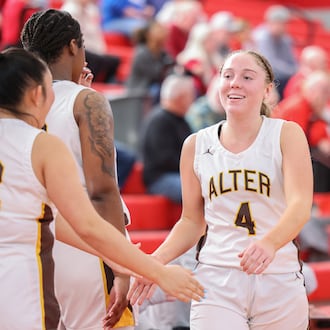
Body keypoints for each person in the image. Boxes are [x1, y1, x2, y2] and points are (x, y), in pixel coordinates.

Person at [0, 47, 204, 330]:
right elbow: (86, 225)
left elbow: (57, 223)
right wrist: (156, 271)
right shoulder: (40, 145)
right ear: (37, 95)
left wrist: (124, 265)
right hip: (19, 287)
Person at [129, 50, 313, 329]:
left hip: (278, 275)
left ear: (266, 91)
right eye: (227, 75)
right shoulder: (195, 144)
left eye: (246, 76)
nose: (234, 82)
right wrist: (153, 264)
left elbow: (300, 205)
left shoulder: (286, 134)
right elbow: (191, 221)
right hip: (216, 278)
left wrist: (270, 242)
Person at [22, 8, 133, 330]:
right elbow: (102, 191)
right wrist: (123, 266)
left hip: (34, 247)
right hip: (87, 246)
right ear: (73, 47)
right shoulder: (86, 101)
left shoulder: (16, 105)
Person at [140, 73, 195, 203]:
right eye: (190, 96)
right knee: (195, 191)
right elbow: (165, 159)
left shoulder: (181, 120)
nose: (192, 100)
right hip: (160, 178)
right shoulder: (159, 121)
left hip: (179, 175)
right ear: (180, 97)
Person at [61, 0, 121, 83]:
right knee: (93, 59)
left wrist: (102, 50)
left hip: (93, 48)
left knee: (114, 60)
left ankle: (107, 84)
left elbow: (96, 33)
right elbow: (72, 38)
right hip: (80, 49)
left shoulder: (92, 10)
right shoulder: (70, 11)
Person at [252, 5, 297, 99]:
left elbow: (292, 60)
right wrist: (293, 72)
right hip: (265, 78)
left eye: (285, 24)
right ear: (271, 22)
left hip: (281, 78)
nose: (284, 27)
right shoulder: (262, 37)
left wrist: (296, 71)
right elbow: (270, 65)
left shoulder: (285, 39)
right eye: (282, 23)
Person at [126, 19, 174, 104]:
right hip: (140, 91)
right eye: (158, 29)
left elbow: (171, 68)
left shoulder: (162, 52)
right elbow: (156, 74)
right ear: (149, 34)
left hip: (155, 88)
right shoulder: (141, 53)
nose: (163, 32)